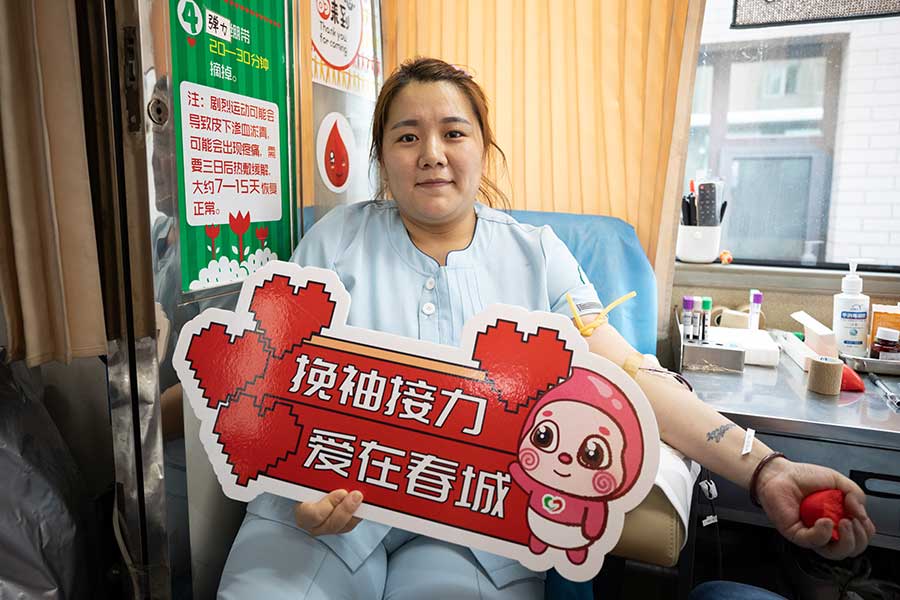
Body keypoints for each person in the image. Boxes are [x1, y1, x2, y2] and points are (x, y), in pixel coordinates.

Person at [217, 57, 875, 599]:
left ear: (483, 148)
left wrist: (766, 470)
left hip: (472, 525)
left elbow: (631, 377)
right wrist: (290, 482)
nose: (432, 154)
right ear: (382, 156)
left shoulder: (538, 255)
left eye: (453, 132)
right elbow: (264, 376)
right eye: (407, 136)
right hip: (320, 507)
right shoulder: (334, 241)